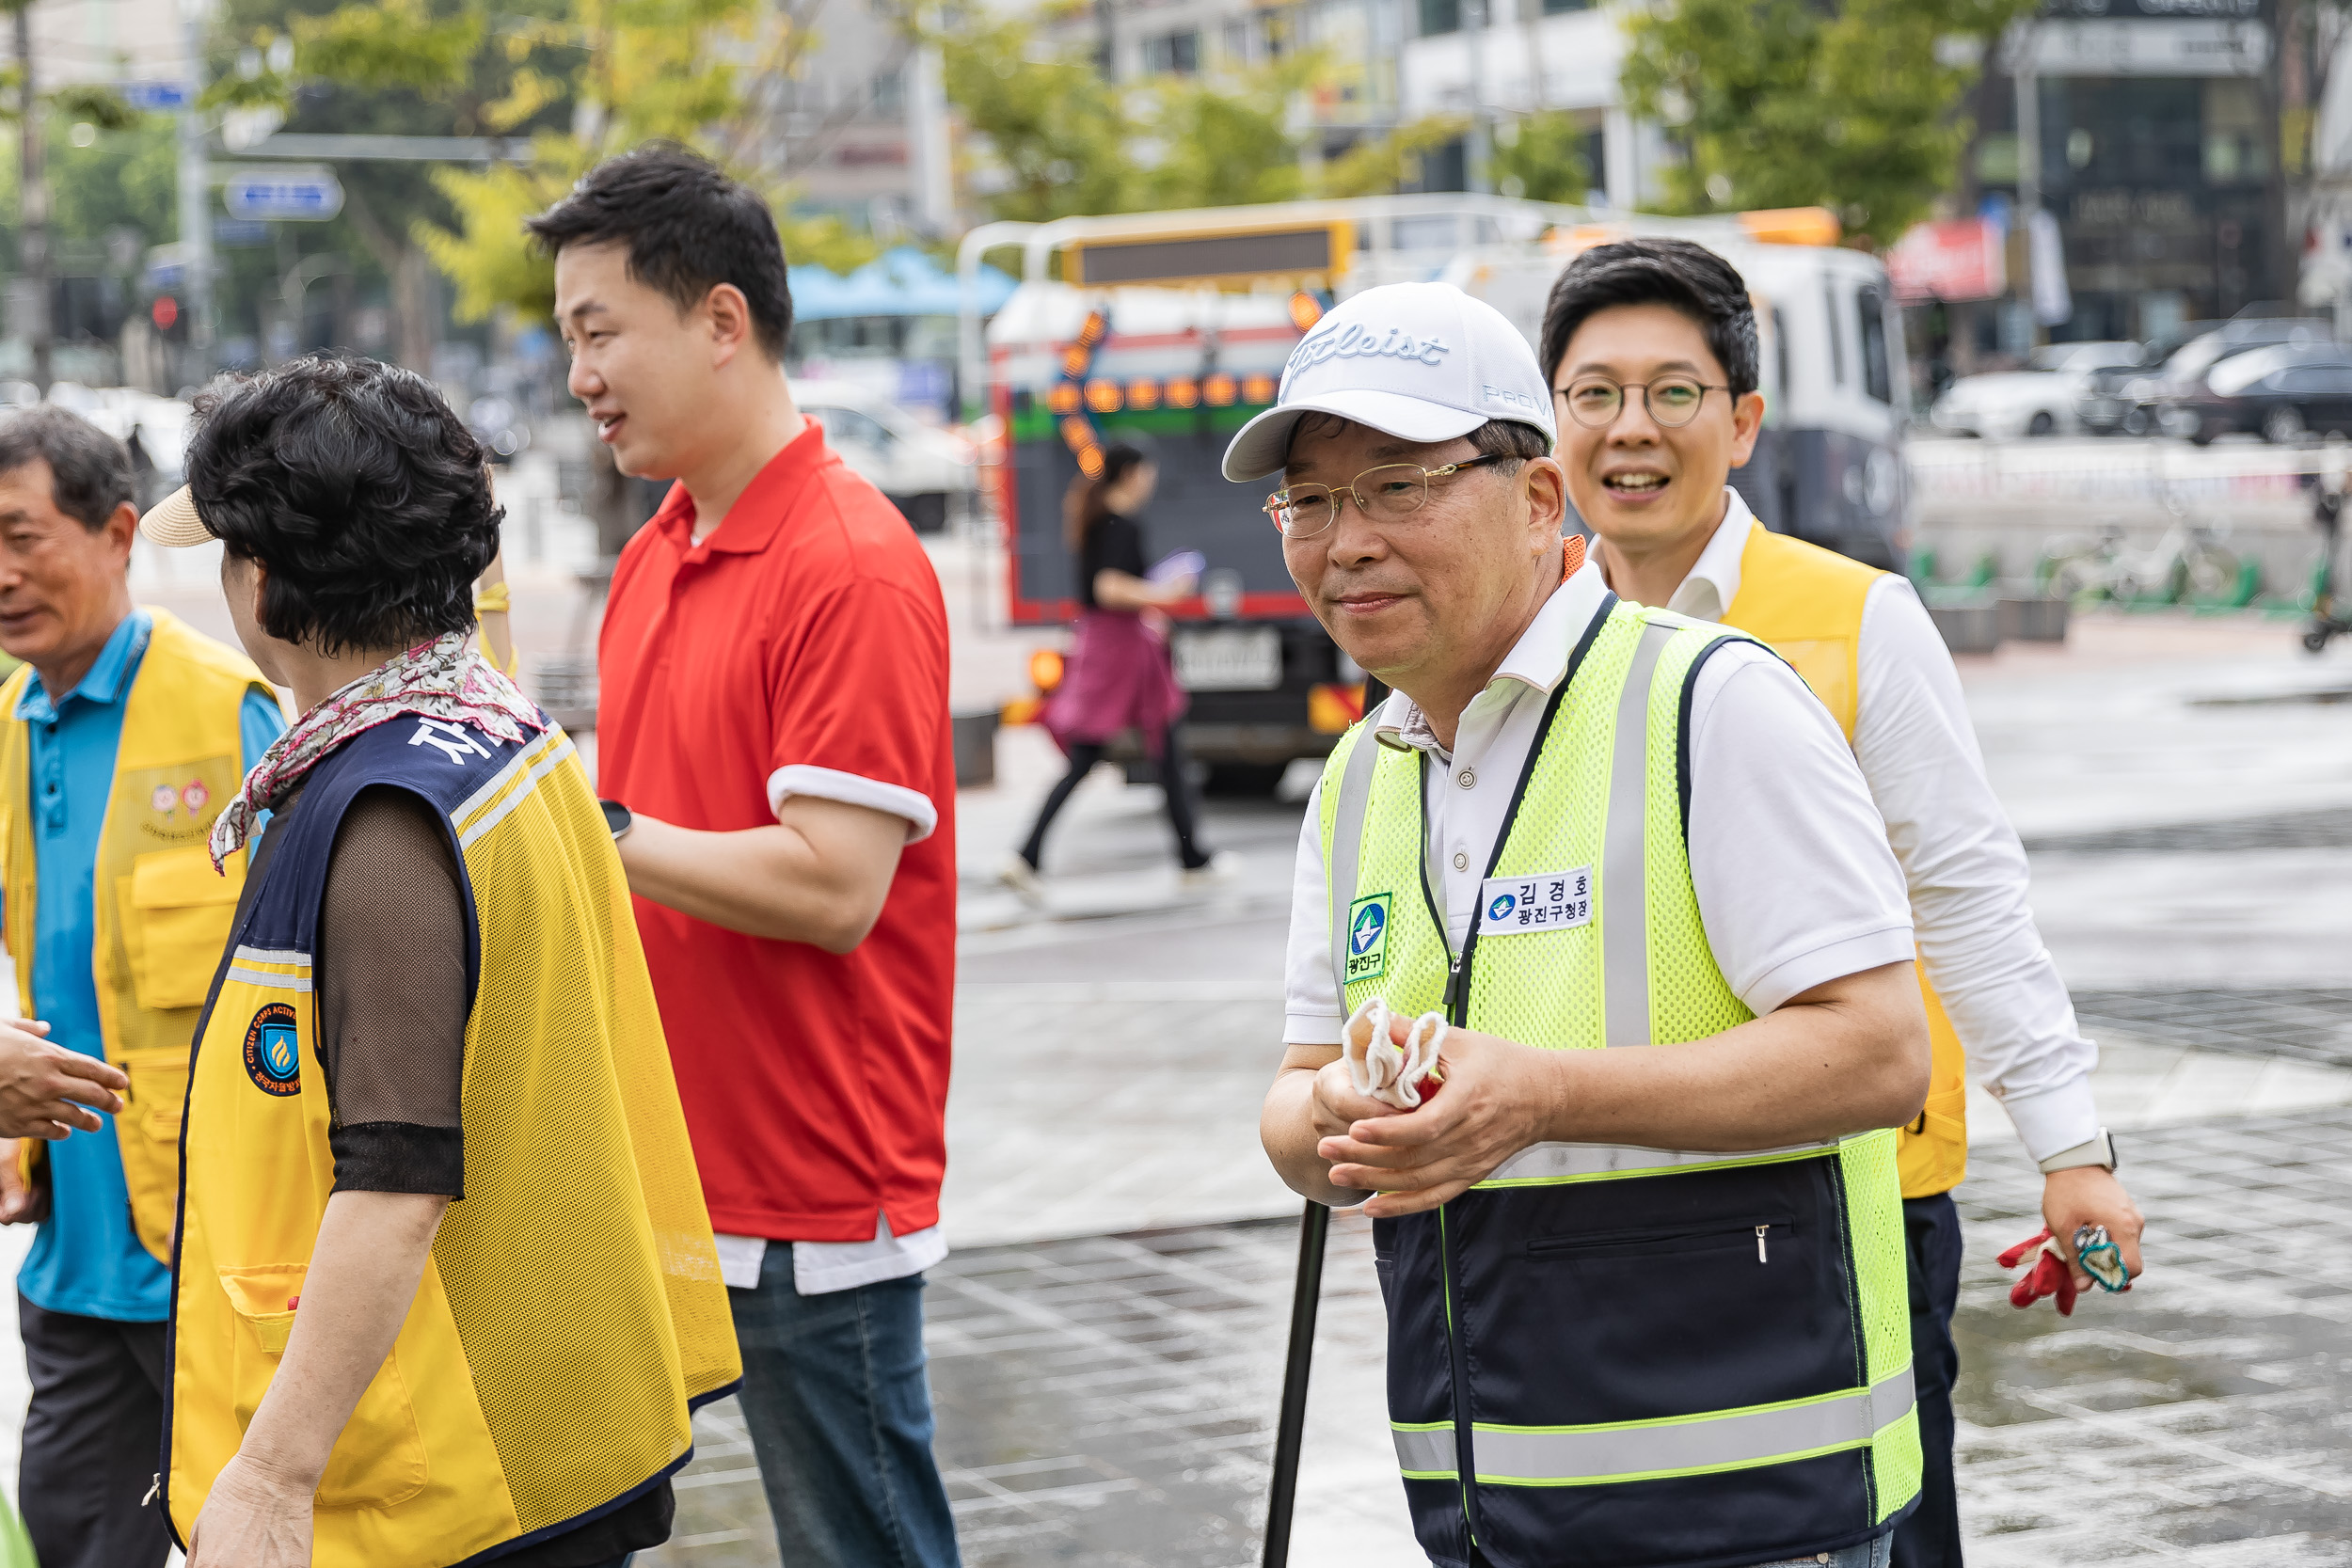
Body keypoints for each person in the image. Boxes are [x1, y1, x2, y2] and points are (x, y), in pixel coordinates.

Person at [1250, 280, 1932, 1568]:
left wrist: (1543, 1093)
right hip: (1484, 1506)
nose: (1346, 542)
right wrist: (1336, 1110)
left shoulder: (1709, 702)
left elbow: (1882, 1053)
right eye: (1313, 499)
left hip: (1746, 1501)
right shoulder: (1361, 775)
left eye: (1398, 486)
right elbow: (1294, 1104)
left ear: (1537, 499)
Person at [1538, 238, 2146, 1568]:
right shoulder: (1531, 648)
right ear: (1551, 429)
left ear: (1744, 420)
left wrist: (2070, 1145)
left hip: (1852, 1193)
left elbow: (1968, 890)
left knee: (1884, 1532)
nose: (1630, 429)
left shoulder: (1856, 617)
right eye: (1593, 395)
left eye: (1674, 392)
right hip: (1611, 1202)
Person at [139, 355, 739, 1568]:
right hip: (545, 1416)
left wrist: (266, 1477)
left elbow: (398, 1176)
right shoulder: (498, 728)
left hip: (443, 1481)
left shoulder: (382, 811)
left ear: (260, 580)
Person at [531, 146, 963, 1566]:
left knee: (864, 1542)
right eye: (567, 339)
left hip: (812, 1181)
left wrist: (593, 825)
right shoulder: (661, 546)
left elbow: (836, 888)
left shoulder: (850, 558)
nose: (580, 373)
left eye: (600, 332)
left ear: (722, 319)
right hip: (672, 1157)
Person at [0, 405, 284, 1568]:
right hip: (74, 1255)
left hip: (213, 1260)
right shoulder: (8, 729)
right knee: (70, 1531)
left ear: (121, 532)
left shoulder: (229, 710)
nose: (3, 575)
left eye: (24, 537)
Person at [1001, 443, 1230, 898]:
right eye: (1147, 473)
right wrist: (1164, 597)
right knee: (1116, 752)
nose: (1150, 482)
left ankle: (1191, 857)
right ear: (1131, 474)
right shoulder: (1117, 523)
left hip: (1113, 647)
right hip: (1118, 651)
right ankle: (1026, 855)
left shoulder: (1098, 516)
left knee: (1160, 751)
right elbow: (1107, 587)